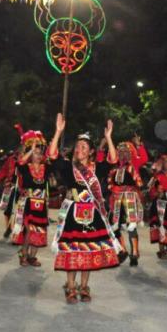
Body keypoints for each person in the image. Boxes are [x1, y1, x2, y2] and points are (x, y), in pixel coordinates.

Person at [47, 114, 121, 304]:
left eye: (84, 147)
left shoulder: (97, 169)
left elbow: (113, 160)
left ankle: (84, 286)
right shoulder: (67, 167)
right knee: (73, 250)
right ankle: (71, 286)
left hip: (92, 214)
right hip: (73, 213)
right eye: (78, 146)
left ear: (90, 152)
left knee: (88, 250)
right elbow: (52, 155)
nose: (79, 149)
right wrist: (58, 132)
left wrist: (110, 138)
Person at [10, 131, 51, 267]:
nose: (38, 156)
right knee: (28, 230)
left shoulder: (46, 168)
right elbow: (19, 162)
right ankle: (23, 254)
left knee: (39, 230)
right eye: (35, 153)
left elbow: (53, 157)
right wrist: (30, 150)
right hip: (28, 203)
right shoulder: (26, 168)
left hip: (41, 203)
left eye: (40, 153)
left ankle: (32, 257)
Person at [109, 135, 148, 266]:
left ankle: (135, 253)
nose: (122, 154)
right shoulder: (114, 167)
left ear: (131, 153)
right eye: (120, 152)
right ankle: (123, 251)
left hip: (130, 198)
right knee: (114, 226)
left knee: (131, 226)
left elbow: (144, 158)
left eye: (126, 151)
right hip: (116, 200)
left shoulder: (134, 164)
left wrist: (139, 145)